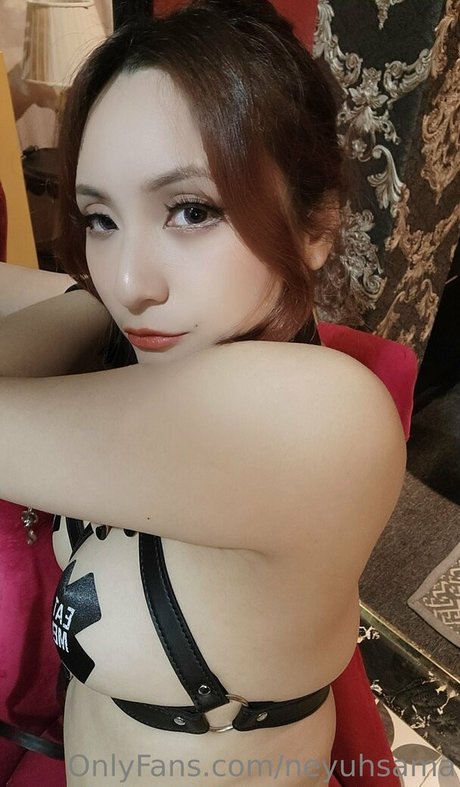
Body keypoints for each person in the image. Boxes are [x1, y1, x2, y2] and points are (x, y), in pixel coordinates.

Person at [0, 1, 406, 785]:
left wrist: (89, 304)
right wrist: (91, 300)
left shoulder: (317, 421)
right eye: (100, 217)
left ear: (317, 226)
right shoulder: (159, 333)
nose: (130, 281)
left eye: (191, 210)